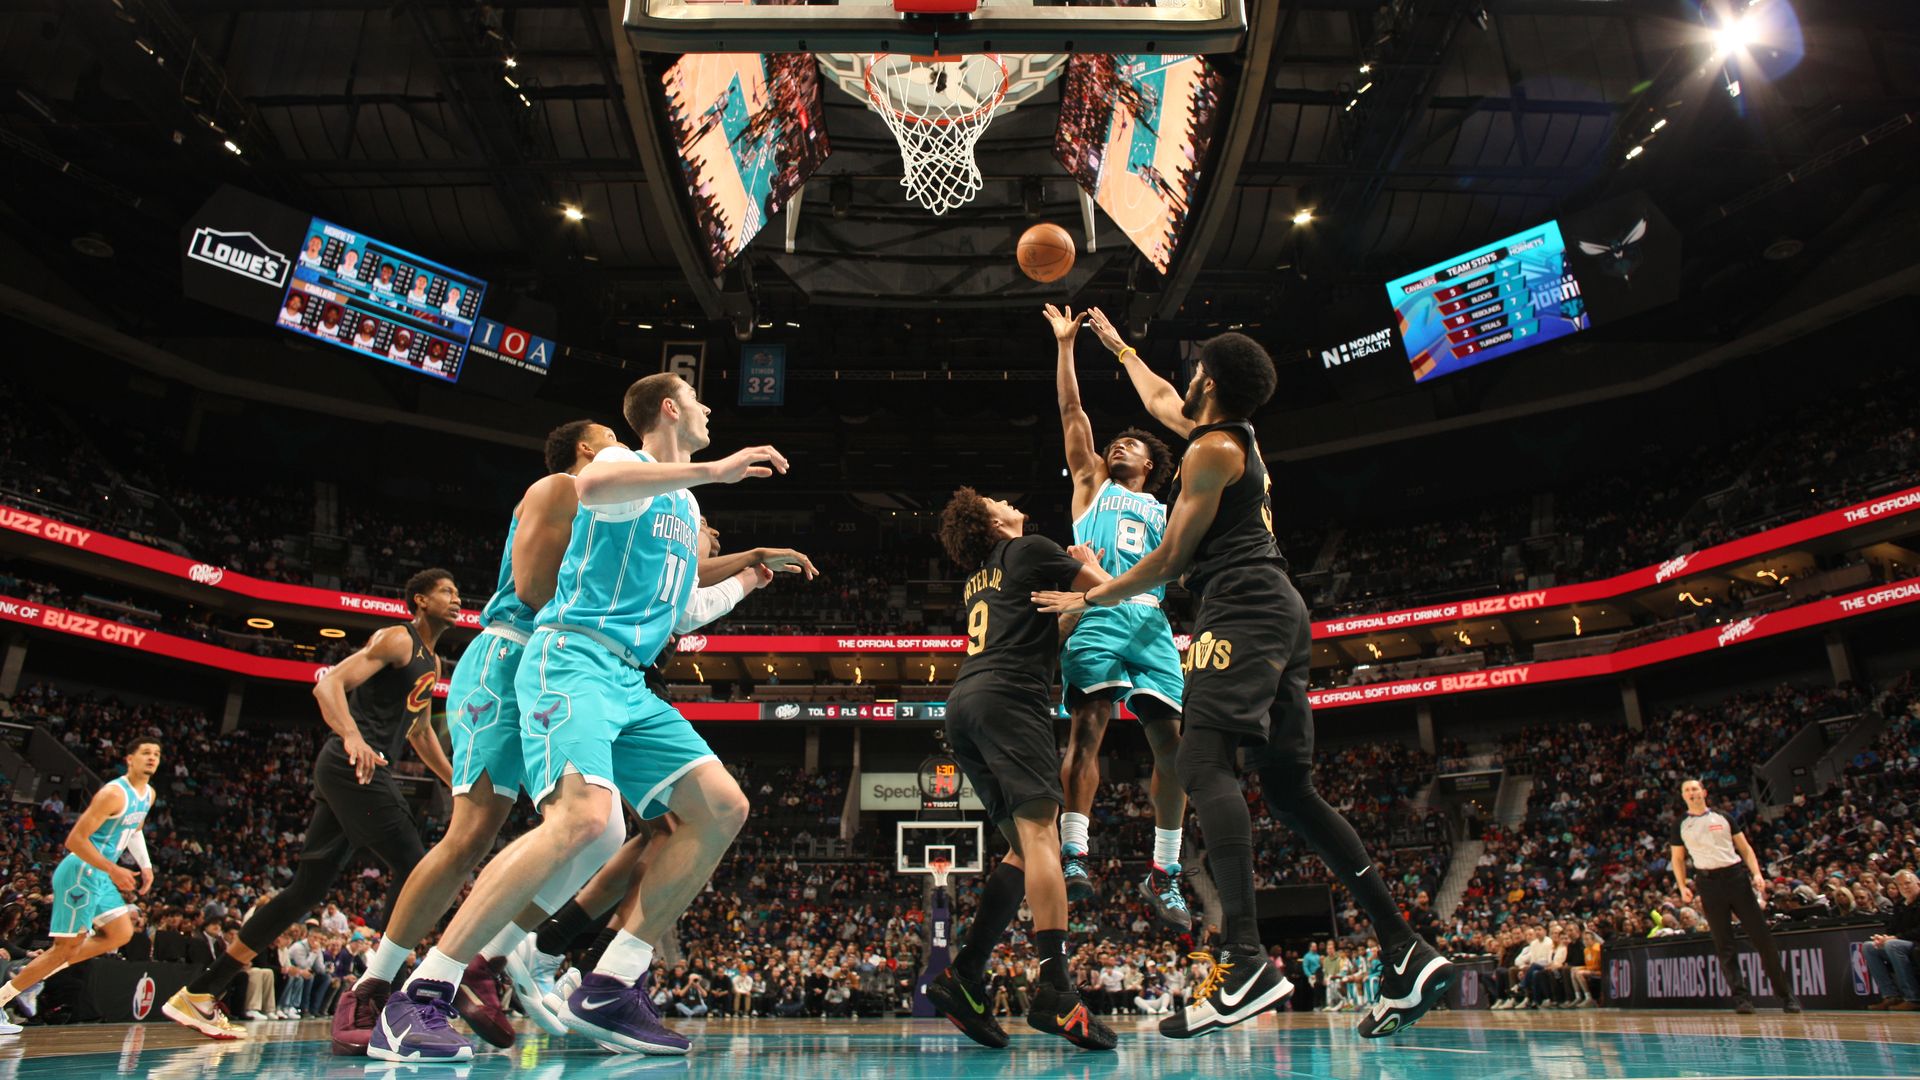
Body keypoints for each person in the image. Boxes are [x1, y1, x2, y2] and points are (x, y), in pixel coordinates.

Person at [1035, 314, 1455, 1040]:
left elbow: (1170, 560)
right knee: (1290, 791)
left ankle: (1245, 960)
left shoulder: (1211, 451)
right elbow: (1159, 397)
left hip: (1241, 607)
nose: (1183, 381)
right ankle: (1404, 951)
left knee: (1200, 763)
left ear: (1208, 382)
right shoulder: (1227, 438)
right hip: (1280, 611)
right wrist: (1119, 347)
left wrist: (1089, 597)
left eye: (1194, 371)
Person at [370, 373, 799, 1062]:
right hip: (572, 658)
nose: (709, 410)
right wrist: (718, 469)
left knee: (722, 807)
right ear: (669, 409)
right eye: (698, 400)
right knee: (582, 820)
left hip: (629, 678)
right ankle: (423, 991)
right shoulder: (623, 463)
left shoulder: (684, 505)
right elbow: (595, 486)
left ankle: (611, 984)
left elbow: (681, 611)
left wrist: (749, 578)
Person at [330, 420, 623, 1055]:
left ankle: (487, 958)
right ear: (584, 450)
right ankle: (374, 986)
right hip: (508, 656)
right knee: (469, 837)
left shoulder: (608, 509)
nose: (619, 444)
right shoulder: (562, 488)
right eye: (608, 435)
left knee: (600, 828)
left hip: (555, 668)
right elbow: (534, 591)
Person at [165, 570, 459, 1041]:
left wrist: (456, 783)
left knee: (304, 892)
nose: (456, 598)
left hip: (359, 769)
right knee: (415, 867)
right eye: (446, 591)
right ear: (420, 600)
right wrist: (352, 735)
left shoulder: (434, 662)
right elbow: (328, 685)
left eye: (457, 592)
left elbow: (421, 731)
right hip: (354, 765)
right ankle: (381, 996)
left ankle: (200, 992)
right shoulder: (397, 638)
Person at [922, 486, 1117, 1052]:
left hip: (965, 705)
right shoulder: (1030, 547)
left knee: (1021, 850)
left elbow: (1045, 631)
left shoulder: (979, 578)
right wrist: (1092, 570)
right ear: (990, 522)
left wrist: (1073, 610)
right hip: (1009, 699)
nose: (1006, 500)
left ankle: (965, 974)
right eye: (993, 500)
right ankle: (1056, 989)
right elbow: (1111, 590)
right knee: (1041, 837)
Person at [1043, 305, 1189, 931]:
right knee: (1088, 728)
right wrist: (1066, 347)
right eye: (1114, 444)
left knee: (1173, 746)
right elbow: (1072, 413)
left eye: (1130, 443)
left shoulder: (1168, 510)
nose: (1116, 445)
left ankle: (1165, 871)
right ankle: (1075, 853)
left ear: (1151, 464)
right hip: (1097, 612)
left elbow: (1179, 567)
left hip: (1151, 619)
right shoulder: (1091, 487)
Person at [0, 740, 161, 1033]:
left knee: (120, 933)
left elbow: (134, 830)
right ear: (129, 759)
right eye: (146, 753)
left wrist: (146, 866)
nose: (152, 758)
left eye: (156, 754)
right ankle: (10, 993)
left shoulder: (148, 794)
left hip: (99, 875)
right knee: (65, 949)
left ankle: (33, 972)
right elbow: (74, 840)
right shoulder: (113, 793)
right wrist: (114, 869)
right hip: (80, 873)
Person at [1669, 777, 1801, 1015]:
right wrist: (1682, 886)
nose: (1691, 792)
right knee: (1724, 944)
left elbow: (1745, 848)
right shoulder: (1680, 825)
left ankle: (1786, 996)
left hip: (1736, 878)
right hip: (1707, 883)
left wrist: (1757, 874)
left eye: (1695, 788)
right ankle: (1742, 999)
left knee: (1762, 938)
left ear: (1703, 792)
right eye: (1686, 790)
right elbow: (1677, 859)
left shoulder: (1723, 817)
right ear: (1683, 796)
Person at [1863, 868, 1918, 1010]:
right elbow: (1892, 928)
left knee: (1892, 945)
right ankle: (1891, 996)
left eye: (1907, 883)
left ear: (1918, 883)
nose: (1904, 887)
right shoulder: (1900, 905)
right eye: (1900, 885)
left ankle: (1912, 997)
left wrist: (1895, 938)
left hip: (1916, 942)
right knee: (1869, 947)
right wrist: (1883, 938)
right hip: (1901, 942)